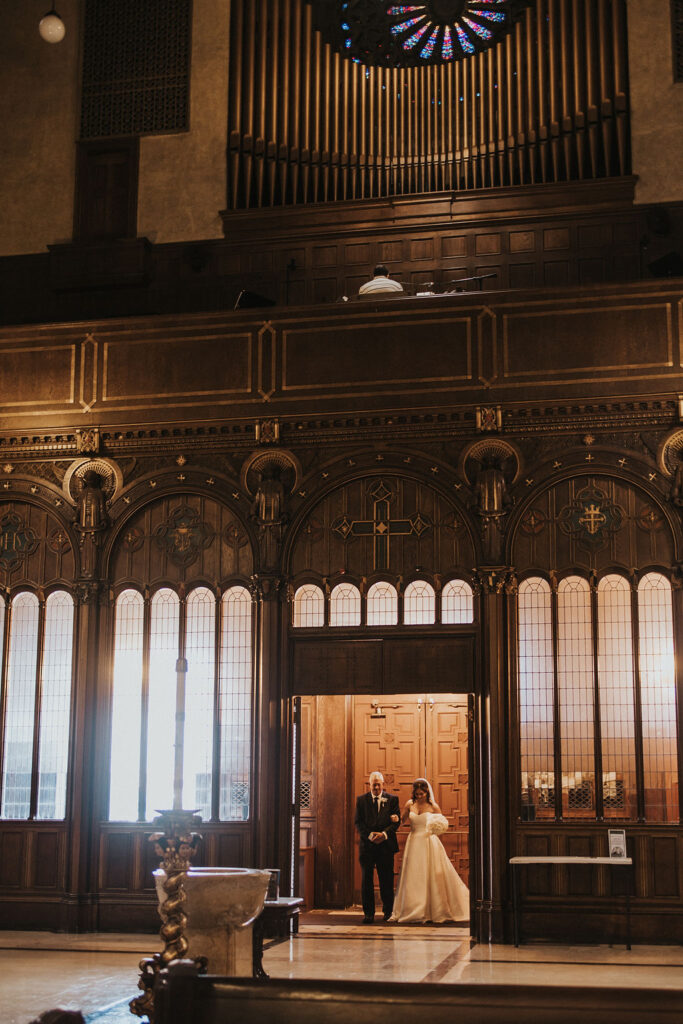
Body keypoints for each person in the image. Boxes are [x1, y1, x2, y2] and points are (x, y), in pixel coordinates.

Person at [390, 777, 469, 924]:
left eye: (422, 794)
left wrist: (437, 829)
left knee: (429, 874)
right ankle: (413, 908)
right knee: (414, 875)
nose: (420, 796)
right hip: (413, 841)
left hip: (428, 842)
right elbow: (403, 820)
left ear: (427, 793)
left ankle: (430, 909)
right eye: (417, 794)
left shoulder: (434, 807)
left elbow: (442, 823)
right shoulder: (410, 804)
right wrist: (395, 819)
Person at [354, 771, 400, 923]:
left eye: (379, 784)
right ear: (369, 784)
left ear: (383, 784)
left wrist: (384, 835)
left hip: (385, 846)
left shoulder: (393, 800)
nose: (376, 786)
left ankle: (388, 912)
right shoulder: (361, 800)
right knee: (366, 880)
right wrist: (370, 835)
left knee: (386, 880)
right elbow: (358, 823)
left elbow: (396, 822)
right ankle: (368, 914)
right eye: (374, 784)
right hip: (367, 847)